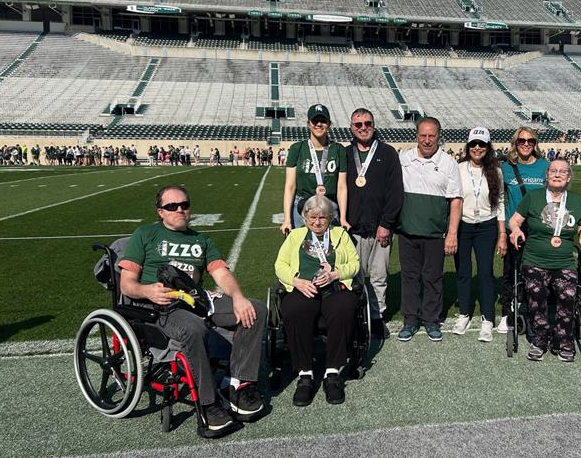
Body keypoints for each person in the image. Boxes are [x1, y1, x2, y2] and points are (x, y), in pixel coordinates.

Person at [118, 185, 266, 435]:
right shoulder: (145, 234)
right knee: (194, 329)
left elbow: (221, 273)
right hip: (161, 305)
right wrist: (147, 291)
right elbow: (126, 284)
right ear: (160, 212)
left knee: (257, 309)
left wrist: (239, 297)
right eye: (171, 206)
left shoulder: (202, 240)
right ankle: (208, 405)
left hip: (196, 299)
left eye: (184, 205)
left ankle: (238, 385)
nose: (179, 210)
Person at [274, 194, 360, 406]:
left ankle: (332, 373)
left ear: (330, 217)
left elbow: (355, 264)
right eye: (312, 217)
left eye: (322, 217)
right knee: (294, 309)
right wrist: (296, 281)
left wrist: (336, 274)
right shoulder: (295, 236)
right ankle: (305, 375)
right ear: (304, 217)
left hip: (334, 287)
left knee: (345, 306)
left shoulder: (340, 234)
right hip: (304, 288)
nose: (317, 222)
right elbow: (280, 265)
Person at [508, 159, 581, 362]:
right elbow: (514, 220)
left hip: (564, 262)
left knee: (568, 296)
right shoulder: (534, 197)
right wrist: (516, 230)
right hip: (534, 259)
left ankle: (564, 341)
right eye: (553, 171)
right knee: (536, 298)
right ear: (546, 175)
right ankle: (540, 338)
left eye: (562, 171)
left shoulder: (576, 200)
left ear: (569, 177)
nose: (557, 174)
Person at [397, 117, 463, 342]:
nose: (427, 140)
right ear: (416, 135)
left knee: (433, 278)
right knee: (410, 277)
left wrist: (452, 233)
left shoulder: (448, 163)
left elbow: (456, 200)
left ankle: (431, 320)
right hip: (407, 231)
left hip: (435, 233)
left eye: (431, 136)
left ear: (439, 136)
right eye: (423, 135)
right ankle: (410, 320)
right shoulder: (403, 159)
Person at [345, 108, 403, 340]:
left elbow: (395, 191)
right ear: (351, 128)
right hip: (352, 229)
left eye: (367, 123)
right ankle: (357, 316)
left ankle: (377, 317)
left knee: (379, 275)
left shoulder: (388, 153)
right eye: (358, 124)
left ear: (374, 125)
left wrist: (386, 223)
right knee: (352, 276)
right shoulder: (344, 153)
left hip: (380, 228)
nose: (363, 127)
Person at [452, 127, 506, 342]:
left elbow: (500, 201)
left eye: (481, 144)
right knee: (463, 271)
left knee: (485, 272)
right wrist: (452, 231)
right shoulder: (458, 168)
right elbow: (453, 199)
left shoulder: (496, 171)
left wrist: (502, 233)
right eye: (473, 143)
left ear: (488, 147)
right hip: (463, 225)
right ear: (468, 146)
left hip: (487, 225)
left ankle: (487, 318)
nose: (477, 148)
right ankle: (464, 313)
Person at [498, 127, 549, 333]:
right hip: (515, 228)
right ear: (515, 143)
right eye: (522, 140)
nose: (526, 144)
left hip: (539, 227)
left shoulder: (546, 166)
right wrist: (503, 231)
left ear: (535, 143)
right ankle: (507, 312)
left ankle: (532, 308)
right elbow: (500, 200)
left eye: (530, 140)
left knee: (537, 272)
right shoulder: (506, 167)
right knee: (511, 270)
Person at [281, 104, 348, 234]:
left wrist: (343, 218)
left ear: (329, 124)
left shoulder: (338, 149)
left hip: (329, 206)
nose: (319, 124)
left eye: (323, 121)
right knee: (302, 249)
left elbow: (342, 187)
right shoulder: (297, 148)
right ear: (308, 124)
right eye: (315, 121)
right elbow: (290, 186)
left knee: (329, 250)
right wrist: (287, 219)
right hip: (303, 206)